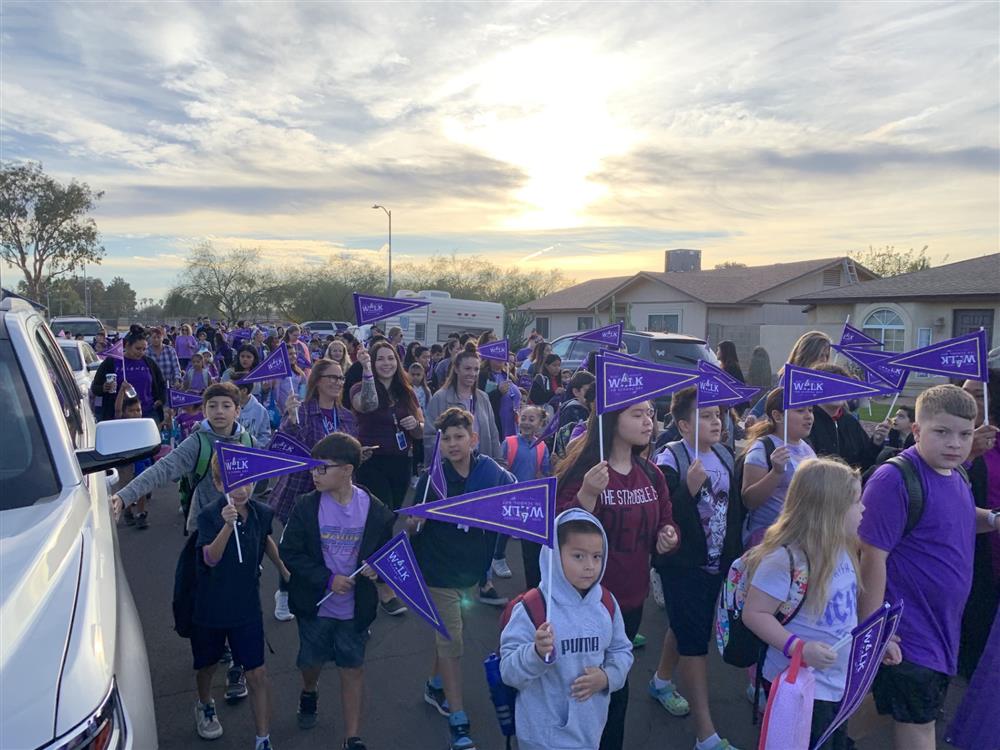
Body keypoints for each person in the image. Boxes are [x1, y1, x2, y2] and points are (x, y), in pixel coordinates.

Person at [859, 384, 1000, 750]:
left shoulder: (958, 475)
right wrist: (876, 632)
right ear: (917, 431)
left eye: (965, 434)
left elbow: (958, 518)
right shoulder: (894, 479)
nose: (956, 443)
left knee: (887, 707)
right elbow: (872, 557)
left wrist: (995, 519)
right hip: (907, 632)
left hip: (943, 629)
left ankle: (820, 737)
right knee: (919, 725)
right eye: (942, 432)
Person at [556, 400, 680, 750]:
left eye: (651, 415)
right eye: (637, 414)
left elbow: (666, 519)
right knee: (582, 689)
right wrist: (586, 495)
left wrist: (668, 535)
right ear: (612, 419)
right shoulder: (587, 471)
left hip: (629, 600)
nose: (648, 422)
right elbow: (560, 531)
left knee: (616, 685)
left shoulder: (652, 473)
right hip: (585, 602)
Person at [742, 457, 884, 750]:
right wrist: (799, 648)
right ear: (828, 510)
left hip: (835, 682)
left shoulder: (843, 550)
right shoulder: (785, 559)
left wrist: (880, 639)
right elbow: (754, 613)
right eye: (856, 502)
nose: (863, 508)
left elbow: (846, 612)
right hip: (800, 686)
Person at [409, 407, 517, 750]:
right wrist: (416, 521)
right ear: (439, 445)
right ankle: (458, 720)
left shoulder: (493, 472)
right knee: (453, 639)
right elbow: (410, 524)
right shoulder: (432, 479)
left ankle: (434, 684)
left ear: (473, 439)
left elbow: (515, 499)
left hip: (471, 572)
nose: (453, 444)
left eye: (460, 437)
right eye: (447, 439)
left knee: (448, 634)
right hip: (438, 572)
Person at [279, 433, 395, 750]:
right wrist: (328, 579)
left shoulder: (374, 508)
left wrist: (378, 568)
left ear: (346, 470)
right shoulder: (306, 507)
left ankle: (352, 737)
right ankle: (309, 690)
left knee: (352, 668)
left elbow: (386, 550)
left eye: (321, 469)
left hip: (355, 611)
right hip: (316, 606)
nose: (313, 474)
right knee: (311, 662)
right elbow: (290, 552)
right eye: (313, 469)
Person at [649, 387, 743, 750]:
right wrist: (686, 491)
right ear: (685, 425)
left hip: (716, 564)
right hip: (683, 566)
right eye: (706, 416)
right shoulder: (670, 459)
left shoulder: (723, 453)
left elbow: (732, 512)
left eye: (718, 414)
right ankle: (706, 734)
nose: (716, 421)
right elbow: (662, 514)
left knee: (685, 625)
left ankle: (660, 681)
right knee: (694, 643)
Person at [499, 509, 634, 750]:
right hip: (540, 736)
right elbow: (508, 672)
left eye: (597, 556)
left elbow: (622, 650)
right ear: (554, 555)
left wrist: (607, 677)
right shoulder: (532, 607)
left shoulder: (606, 603)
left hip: (591, 730)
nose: (590, 566)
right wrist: (535, 653)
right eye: (578, 556)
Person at [189, 455, 280, 749]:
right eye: (232, 484)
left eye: (247, 482)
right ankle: (204, 703)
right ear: (218, 484)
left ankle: (263, 737)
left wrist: (283, 568)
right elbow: (210, 558)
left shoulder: (262, 512)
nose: (241, 490)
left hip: (247, 607)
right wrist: (227, 527)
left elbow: (265, 540)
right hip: (211, 607)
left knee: (257, 671)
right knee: (207, 665)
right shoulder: (208, 516)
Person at [270, 358, 367, 618]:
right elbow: (285, 448)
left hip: (338, 490)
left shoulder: (346, 416)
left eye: (340, 378)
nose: (337, 382)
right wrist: (291, 419)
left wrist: (358, 455)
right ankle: (285, 591)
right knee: (295, 544)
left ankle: (331, 596)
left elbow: (350, 450)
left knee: (330, 545)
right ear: (317, 382)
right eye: (332, 378)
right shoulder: (301, 410)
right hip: (303, 487)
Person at [111, 383, 254, 534]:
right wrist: (124, 496)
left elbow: (259, 480)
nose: (219, 411)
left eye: (226, 406)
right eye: (212, 406)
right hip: (205, 527)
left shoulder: (249, 442)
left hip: (241, 524)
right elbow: (163, 469)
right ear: (204, 411)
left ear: (237, 410)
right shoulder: (197, 443)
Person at [957, 374, 1000, 679]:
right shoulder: (954, 438)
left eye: (979, 394)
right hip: (971, 543)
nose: (972, 399)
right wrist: (970, 450)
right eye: (967, 393)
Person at [351, 341, 424, 513]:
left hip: (401, 461)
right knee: (381, 514)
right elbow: (367, 405)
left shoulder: (406, 392)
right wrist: (367, 370)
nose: (386, 363)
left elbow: (421, 431)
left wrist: (415, 425)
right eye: (380, 359)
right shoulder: (358, 388)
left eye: (391, 358)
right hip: (371, 461)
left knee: (392, 515)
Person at [741, 387, 817, 547]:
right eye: (800, 410)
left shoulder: (808, 448)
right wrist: (776, 473)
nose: (808, 416)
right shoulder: (762, 448)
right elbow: (749, 500)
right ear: (777, 416)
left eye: (810, 410)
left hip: (801, 538)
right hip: (768, 539)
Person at [424, 344, 503, 465]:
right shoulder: (440, 398)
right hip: (450, 469)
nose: (472, 373)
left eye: (476, 369)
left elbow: (493, 435)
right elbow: (430, 436)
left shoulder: (483, 398)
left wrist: (499, 463)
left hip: (480, 468)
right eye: (467, 368)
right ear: (456, 369)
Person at [807, 363, 889, 471]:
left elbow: (864, 464)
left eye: (842, 386)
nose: (838, 391)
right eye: (831, 386)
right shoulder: (808, 422)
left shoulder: (850, 422)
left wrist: (875, 443)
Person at [504, 405, 552, 589]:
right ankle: (498, 557)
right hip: (510, 496)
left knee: (528, 544)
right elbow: (501, 467)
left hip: (530, 500)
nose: (526, 422)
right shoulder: (509, 442)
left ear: (540, 424)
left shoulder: (542, 446)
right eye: (523, 418)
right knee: (503, 532)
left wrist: (552, 465)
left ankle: (534, 585)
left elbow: (544, 473)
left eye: (531, 419)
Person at [747, 332, 832, 422]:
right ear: (809, 354)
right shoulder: (790, 377)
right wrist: (754, 414)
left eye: (826, 356)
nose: (824, 360)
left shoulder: (827, 379)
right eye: (821, 355)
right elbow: (773, 395)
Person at [90, 324, 167, 423]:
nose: (141, 352)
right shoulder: (111, 362)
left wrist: (161, 400)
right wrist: (104, 388)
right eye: (138, 349)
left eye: (144, 349)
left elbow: (161, 384)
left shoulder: (149, 363)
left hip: (147, 414)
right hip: (118, 416)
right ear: (127, 346)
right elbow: (95, 387)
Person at [116, 394, 153, 530]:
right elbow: (117, 410)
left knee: (142, 488)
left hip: (141, 460)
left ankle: (141, 514)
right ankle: (128, 512)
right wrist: (122, 390)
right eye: (131, 411)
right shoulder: (121, 424)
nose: (135, 413)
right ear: (125, 413)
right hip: (125, 463)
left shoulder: (144, 424)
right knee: (127, 488)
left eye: (138, 410)